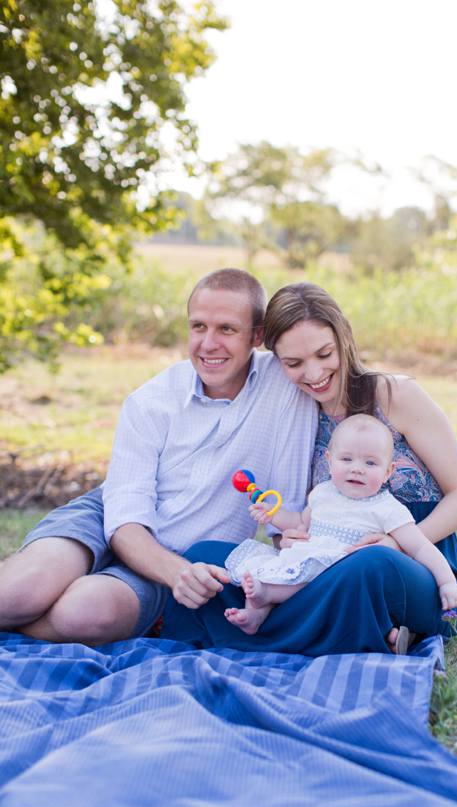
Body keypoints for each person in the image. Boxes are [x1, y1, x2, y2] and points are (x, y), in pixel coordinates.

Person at [0, 269, 318, 644]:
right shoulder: (151, 400)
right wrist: (175, 572)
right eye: (198, 327)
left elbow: (284, 513)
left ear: (258, 335)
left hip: (182, 560)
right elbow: (124, 517)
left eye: (227, 330)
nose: (208, 343)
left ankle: (43, 610)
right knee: (17, 594)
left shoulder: (284, 388)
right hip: (112, 520)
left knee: (83, 613)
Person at [161, 282, 457, 654]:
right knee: (206, 557)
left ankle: (267, 634)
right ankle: (349, 632)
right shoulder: (296, 412)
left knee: (369, 565)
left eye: (324, 354)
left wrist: (397, 543)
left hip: (411, 568)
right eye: (293, 364)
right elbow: (296, 520)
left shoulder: (395, 396)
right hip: (322, 563)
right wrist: (289, 538)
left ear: (343, 338)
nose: (314, 374)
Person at [223, 414, 457, 643]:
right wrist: (272, 515)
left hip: (339, 575)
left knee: (299, 580)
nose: (356, 468)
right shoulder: (322, 493)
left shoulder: (387, 509)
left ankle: (267, 596)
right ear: (329, 460)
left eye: (370, 462)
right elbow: (299, 524)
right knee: (267, 566)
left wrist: (447, 582)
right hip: (307, 558)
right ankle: (255, 615)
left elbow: (421, 547)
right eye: (346, 459)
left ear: (388, 471)